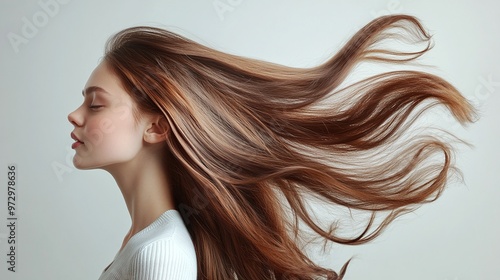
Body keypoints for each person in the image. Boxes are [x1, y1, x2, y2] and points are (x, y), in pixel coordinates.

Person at [67, 14, 475, 280]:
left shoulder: (160, 256)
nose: (75, 115)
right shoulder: (148, 243)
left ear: (156, 126)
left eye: (95, 103)